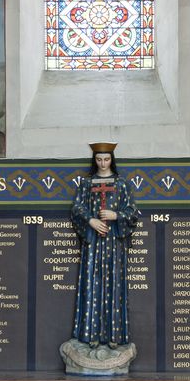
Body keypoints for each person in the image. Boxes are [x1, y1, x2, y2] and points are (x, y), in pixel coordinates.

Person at [71, 142, 140, 348]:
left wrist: (115, 215)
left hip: (113, 242)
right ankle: (90, 334)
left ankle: (114, 337)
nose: (103, 163)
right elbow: (77, 208)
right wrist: (91, 221)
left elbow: (133, 213)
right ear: (95, 160)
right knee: (92, 284)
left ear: (112, 159)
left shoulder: (121, 184)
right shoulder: (86, 183)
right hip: (93, 241)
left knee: (114, 285)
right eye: (99, 159)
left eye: (106, 159)